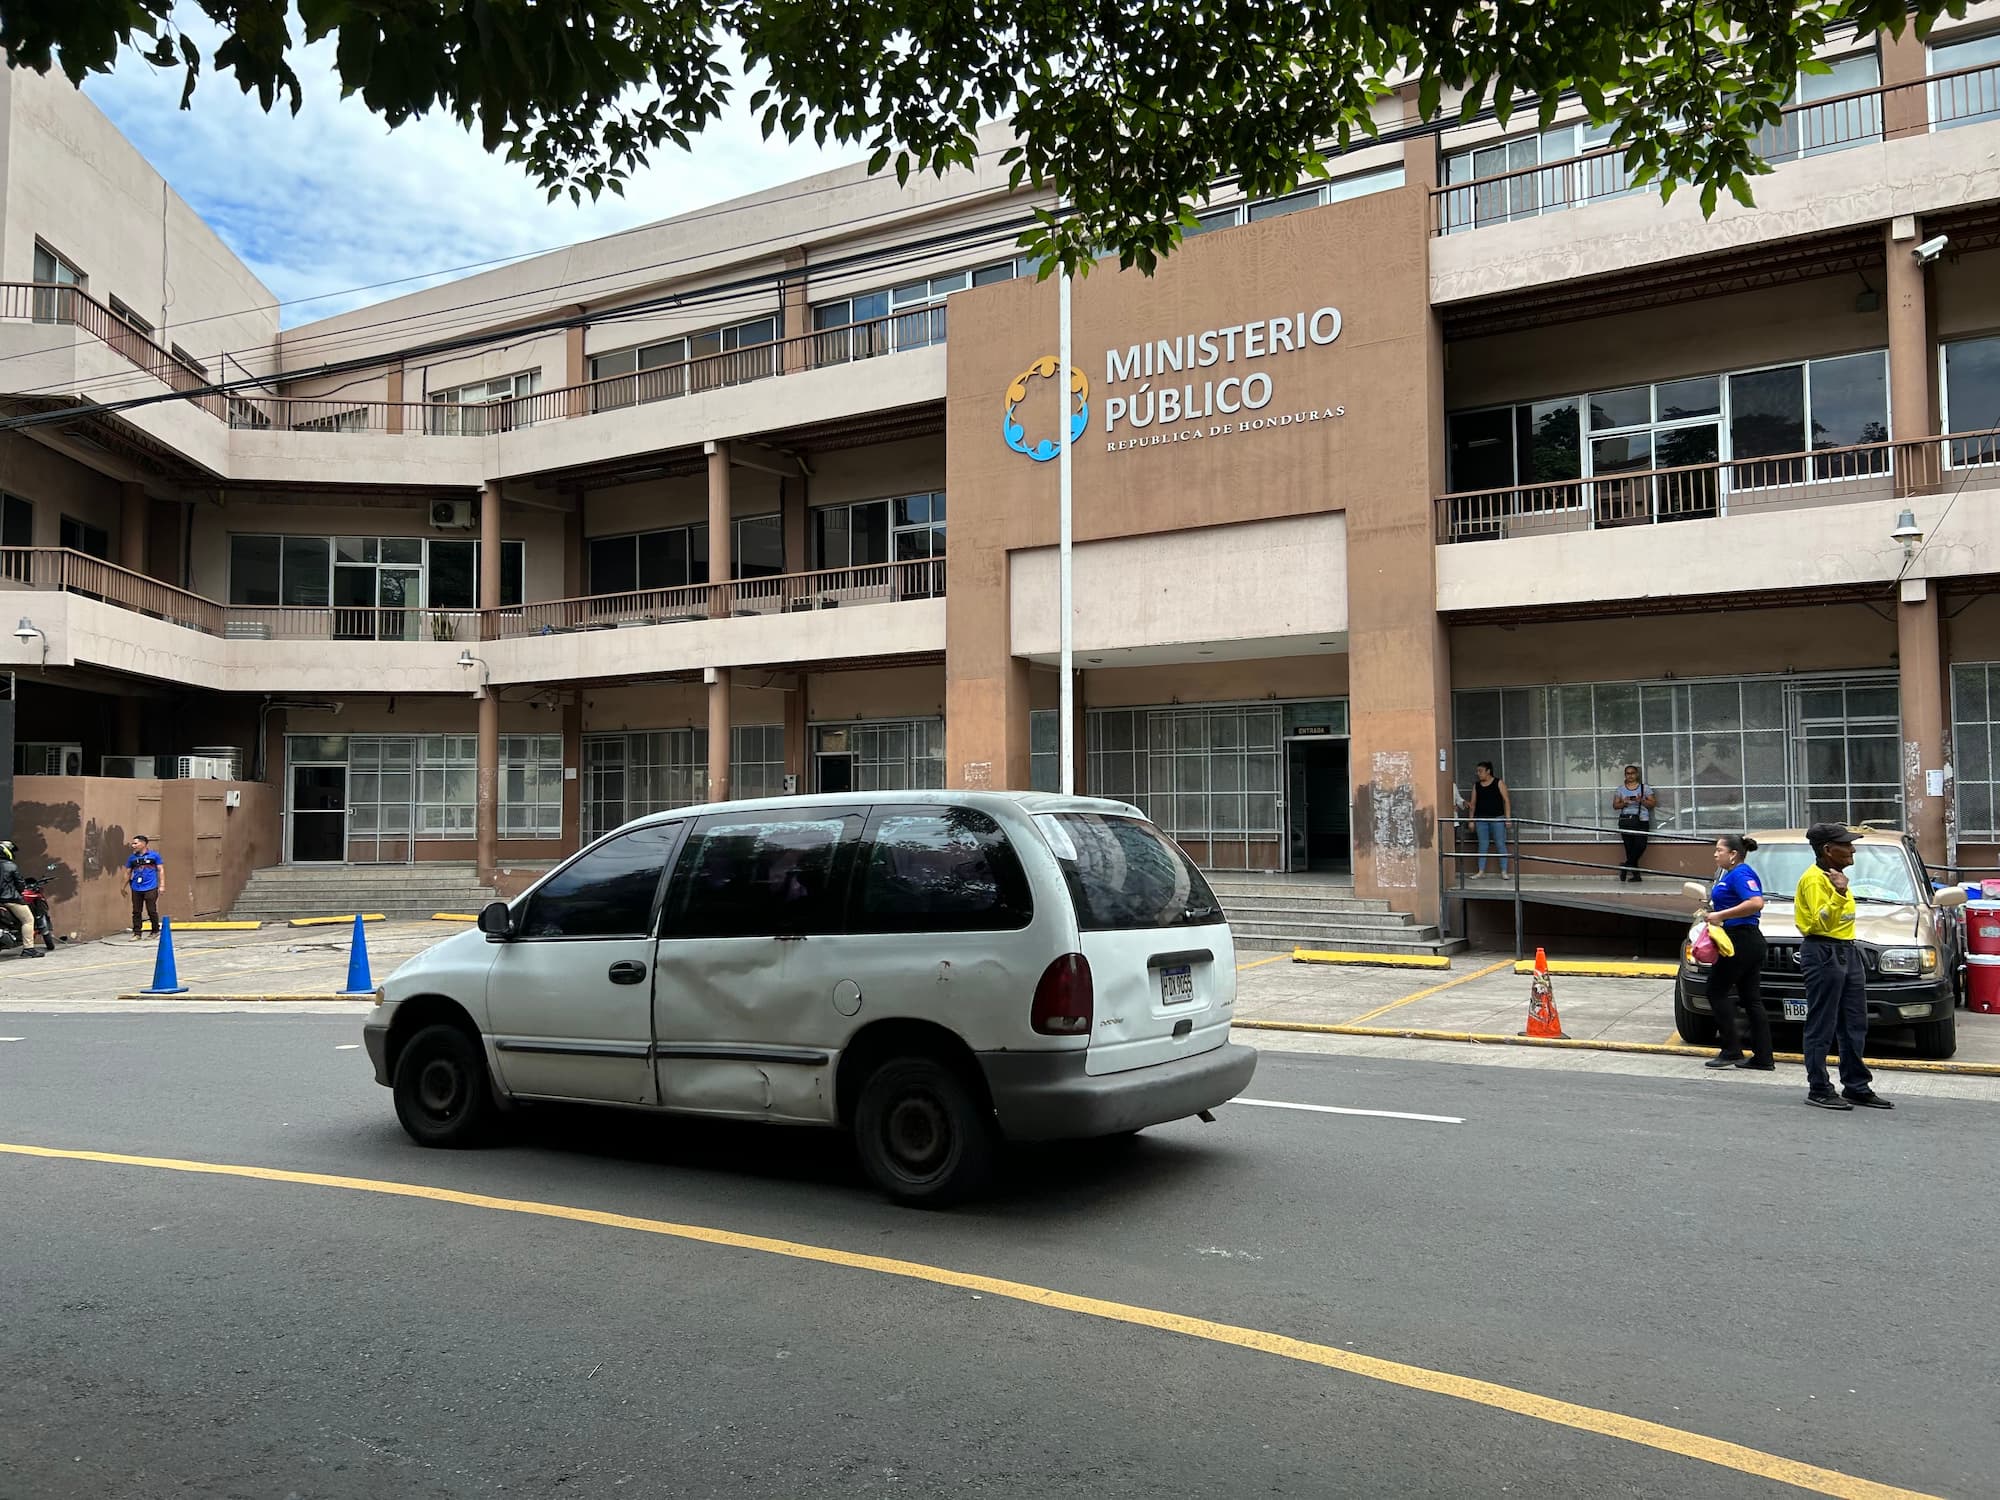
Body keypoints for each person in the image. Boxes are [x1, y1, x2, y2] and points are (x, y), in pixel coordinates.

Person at [1794, 823, 1890, 1112]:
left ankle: (1856, 1085)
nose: (1853, 850)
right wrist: (1837, 893)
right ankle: (1819, 1087)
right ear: (1827, 849)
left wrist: (1840, 889)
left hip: (1847, 950)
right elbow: (1818, 923)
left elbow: (1843, 921)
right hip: (1822, 950)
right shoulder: (1815, 880)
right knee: (1822, 1023)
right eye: (1846, 845)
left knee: (1854, 1023)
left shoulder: (1837, 877)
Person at [1702, 834, 1771, 1071]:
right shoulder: (1728, 875)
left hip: (1741, 940)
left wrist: (1720, 916)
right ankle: (1763, 1056)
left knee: (1715, 991)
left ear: (1733, 854)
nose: (1715, 854)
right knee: (1751, 999)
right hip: (1743, 939)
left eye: (1719, 850)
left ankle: (1731, 1049)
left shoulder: (1741, 873)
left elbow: (1755, 902)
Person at [1460, 762, 1511, 879]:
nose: (1478, 774)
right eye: (1477, 771)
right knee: (1483, 845)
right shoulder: (1476, 786)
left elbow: (1506, 800)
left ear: (1488, 771)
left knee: (1500, 843)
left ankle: (1504, 871)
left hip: (1497, 818)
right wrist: (1471, 820)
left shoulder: (1499, 783)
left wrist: (1508, 819)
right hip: (1481, 819)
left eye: (1480, 771)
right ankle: (1481, 871)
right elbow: (1473, 804)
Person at [1611, 765, 1657, 883]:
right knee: (1629, 848)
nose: (1630, 775)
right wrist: (1624, 803)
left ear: (1637, 774)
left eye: (1632, 773)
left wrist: (1641, 800)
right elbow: (1615, 805)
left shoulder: (1644, 788)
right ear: (1625, 775)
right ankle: (1636, 876)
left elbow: (1652, 804)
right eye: (1627, 773)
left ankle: (1625, 865)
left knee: (1641, 846)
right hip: (1626, 821)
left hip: (1642, 820)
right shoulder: (1620, 789)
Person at [0, 840, 42, 958]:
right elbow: (20, 884)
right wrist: (19, 891)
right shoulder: (10, 866)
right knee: (28, 920)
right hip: (10, 899)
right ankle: (29, 949)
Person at [124, 834, 163, 941]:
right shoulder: (132, 858)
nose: (133, 845)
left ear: (143, 844)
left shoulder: (154, 856)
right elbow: (127, 873)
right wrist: (123, 887)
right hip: (136, 887)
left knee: (151, 910)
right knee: (136, 911)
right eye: (133, 843)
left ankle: (155, 931)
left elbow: (160, 870)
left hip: (151, 886)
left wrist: (162, 885)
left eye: (135, 843)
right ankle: (137, 933)